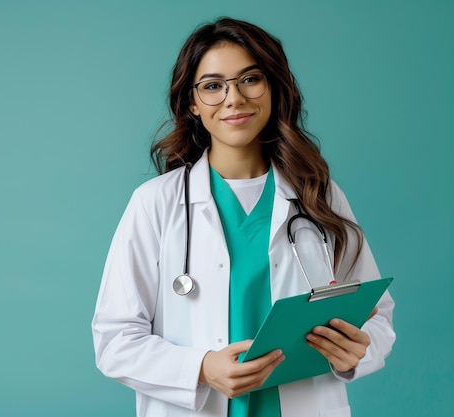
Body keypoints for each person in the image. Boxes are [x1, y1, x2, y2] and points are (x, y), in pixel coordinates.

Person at [91, 17, 395, 417]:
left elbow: (377, 315)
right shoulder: (155, 204)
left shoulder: (318, 195)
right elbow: (114, 340)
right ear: (192, 104)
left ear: (273, 88)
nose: (233, 99)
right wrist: (200, 367)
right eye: (213, 86)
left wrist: (357, 351)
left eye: (250, 79)